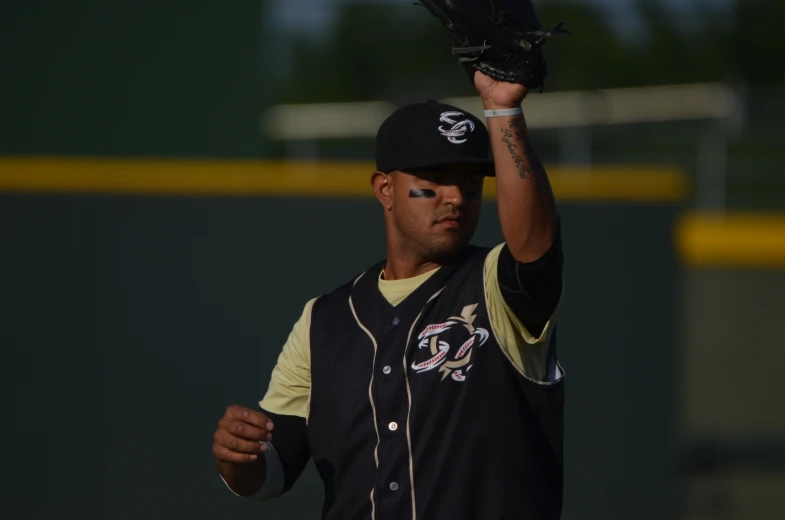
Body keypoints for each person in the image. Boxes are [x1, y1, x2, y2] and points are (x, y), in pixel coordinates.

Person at [213, 71, 565, 520]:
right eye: (434, 179)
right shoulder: (325, 320)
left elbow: (536, 251)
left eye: (471, 182)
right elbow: (273, 468)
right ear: (385, 189)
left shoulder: (496, 286)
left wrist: (503, 109)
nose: (456, 195)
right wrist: (237, 457)